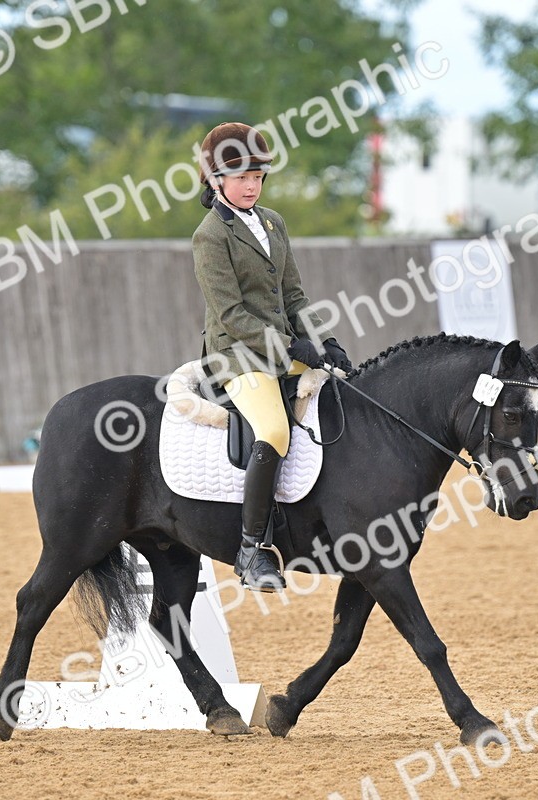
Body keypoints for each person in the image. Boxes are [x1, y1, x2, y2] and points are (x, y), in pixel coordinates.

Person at [191, 122, 352, 592]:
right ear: (215, 180)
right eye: (241, 178)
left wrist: (325, 343)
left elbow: (295, 297)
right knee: (275, 429)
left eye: (257, 178)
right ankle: (251, 550)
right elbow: (232, 314)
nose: (251, 186)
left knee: (346, 390)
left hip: (284, 348)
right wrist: (290, 347)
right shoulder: (209, 236)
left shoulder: (273, 222)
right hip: (238, 356)